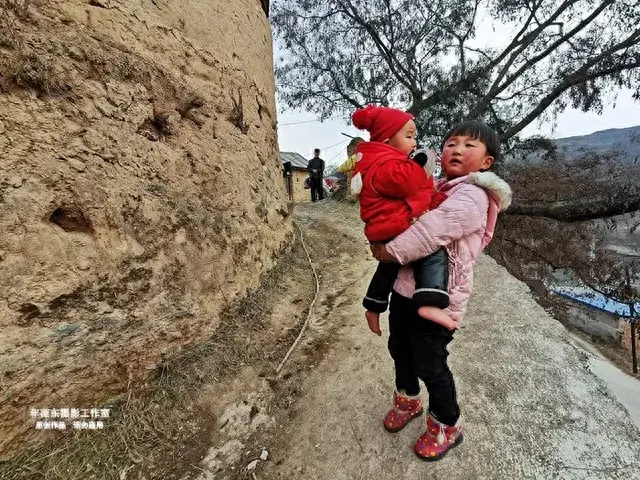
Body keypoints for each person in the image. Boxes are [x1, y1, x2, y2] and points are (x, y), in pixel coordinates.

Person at [369, 120, 512, 461]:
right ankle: (408, 400)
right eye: (451, 143)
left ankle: (446, 425)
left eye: (468, 145)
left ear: (486, 162)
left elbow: (434, 229)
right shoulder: (434, 190)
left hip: (440, 300)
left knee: (431, 363)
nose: (457, 149)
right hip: (405, 292)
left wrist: (390, 250)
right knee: (399, 349)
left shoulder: (473, 196)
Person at [351, 105, 455, 330]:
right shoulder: (382, 164)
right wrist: (424, 162)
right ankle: (431, 300)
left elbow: (418, 195)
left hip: (387, 227)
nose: (415, 142)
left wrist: (437, 200)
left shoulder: (380, 162)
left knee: (389, 267)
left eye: (414, 136)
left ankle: (374, 305)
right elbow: (405, 182)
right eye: (409, 136)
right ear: (387, 141)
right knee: (432, 251)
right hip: (394, 225)